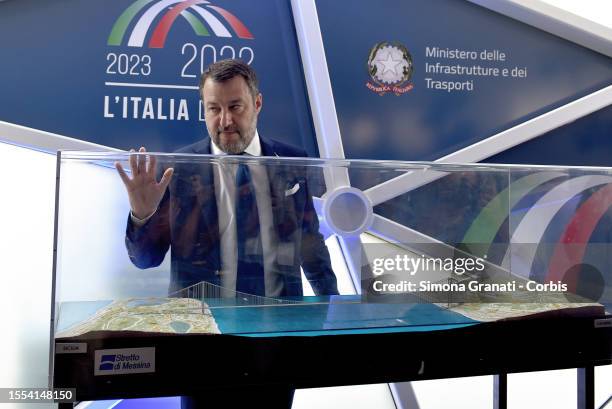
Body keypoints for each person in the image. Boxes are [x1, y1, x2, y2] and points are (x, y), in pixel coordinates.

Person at [116, 59, 338, 299]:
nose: (225, 121)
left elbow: (310, 247)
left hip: (279, 324)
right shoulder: (177, 169)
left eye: (235, 107)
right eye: (214, 109)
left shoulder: (291, 161)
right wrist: (142, 216)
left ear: (257, 103)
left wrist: (335, 310)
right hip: (201, 327)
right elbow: (146, 260)